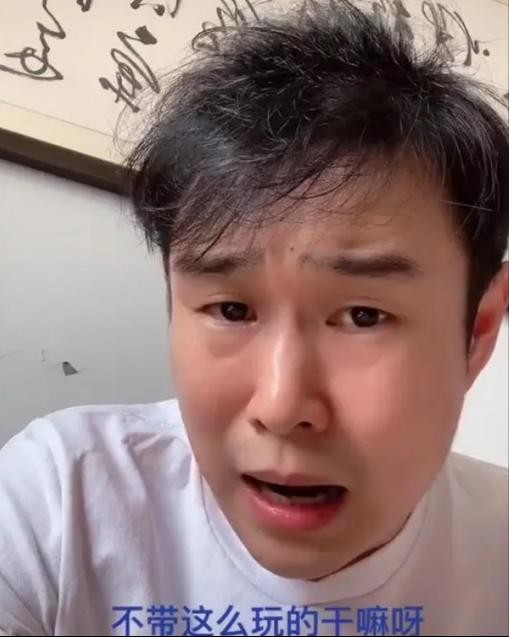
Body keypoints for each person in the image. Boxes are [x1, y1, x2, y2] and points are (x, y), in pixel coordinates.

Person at [1, 1, 508, 635]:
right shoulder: (59, 501)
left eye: (363, 315)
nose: (281, 405)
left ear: (477, 331)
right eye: (232, 310)